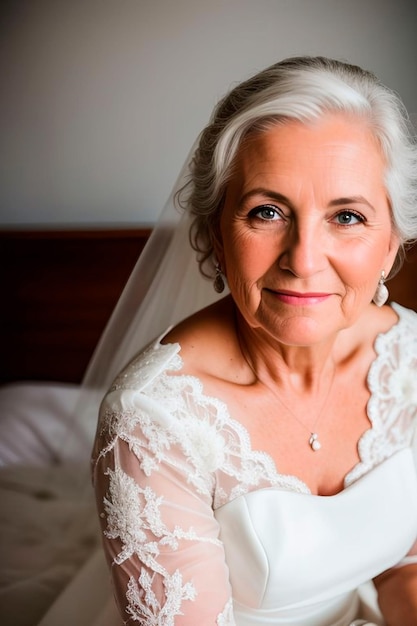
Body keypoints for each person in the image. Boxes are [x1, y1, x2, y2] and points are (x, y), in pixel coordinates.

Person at [91, 56, 417, 625]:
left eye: (347, 217)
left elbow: (405, 565)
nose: (304, 260)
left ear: (392, 243)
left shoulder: (408, 358)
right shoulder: (152, 420)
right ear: (216, 234)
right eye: (267, 211)